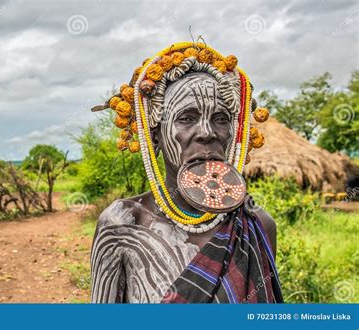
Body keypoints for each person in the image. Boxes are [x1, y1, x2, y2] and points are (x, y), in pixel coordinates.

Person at [90, 41, 283, 303]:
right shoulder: (123, 224)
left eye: (221, 118)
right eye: (187, 118)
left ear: (235, 135)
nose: (207, 132)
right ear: (154, 134)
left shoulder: (258, 225)